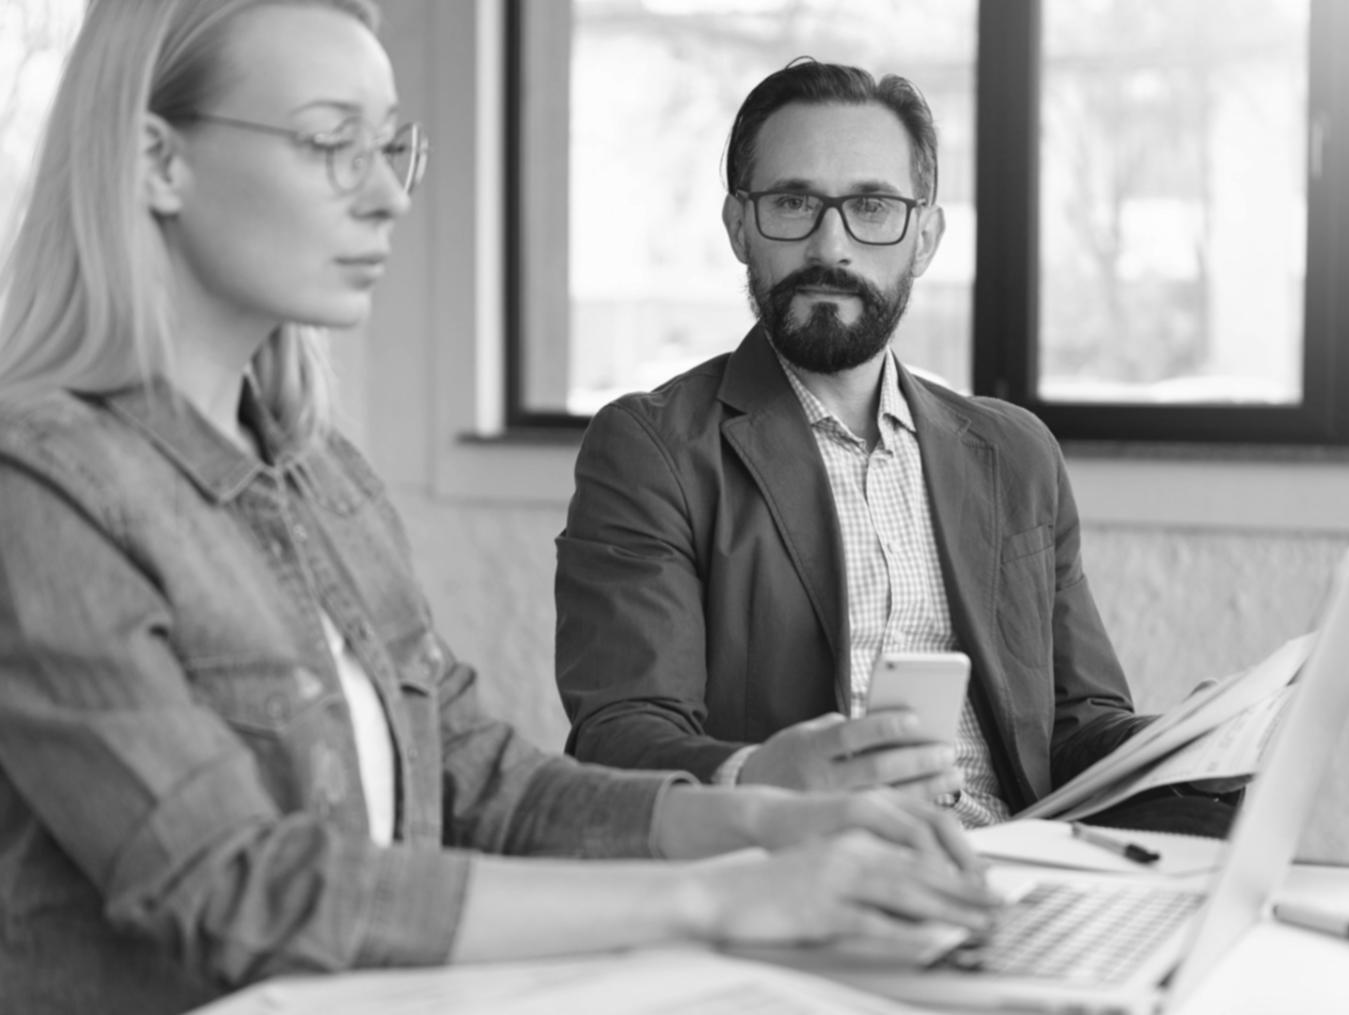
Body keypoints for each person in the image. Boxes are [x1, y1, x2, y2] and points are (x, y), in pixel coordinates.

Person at [0, 10, 1000, 1014]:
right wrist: (716, 896)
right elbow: (233, 889)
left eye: (392, 146)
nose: (388, 194)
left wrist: (760, 817)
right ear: (157, 161)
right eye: (330, 143)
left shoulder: (320, 473)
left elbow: (484, 783)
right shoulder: (40, 492)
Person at [555, 60, 1240, 835]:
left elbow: (1078, 727)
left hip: (1021, 867)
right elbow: (620, 737)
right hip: (803, 875)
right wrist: (761, 778)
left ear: (925, 236)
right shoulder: (653, 449)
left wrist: (1186, 742)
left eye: (871, 207)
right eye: (792, 202)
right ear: (738, 226)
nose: (831, 246)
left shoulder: (1015, 453)